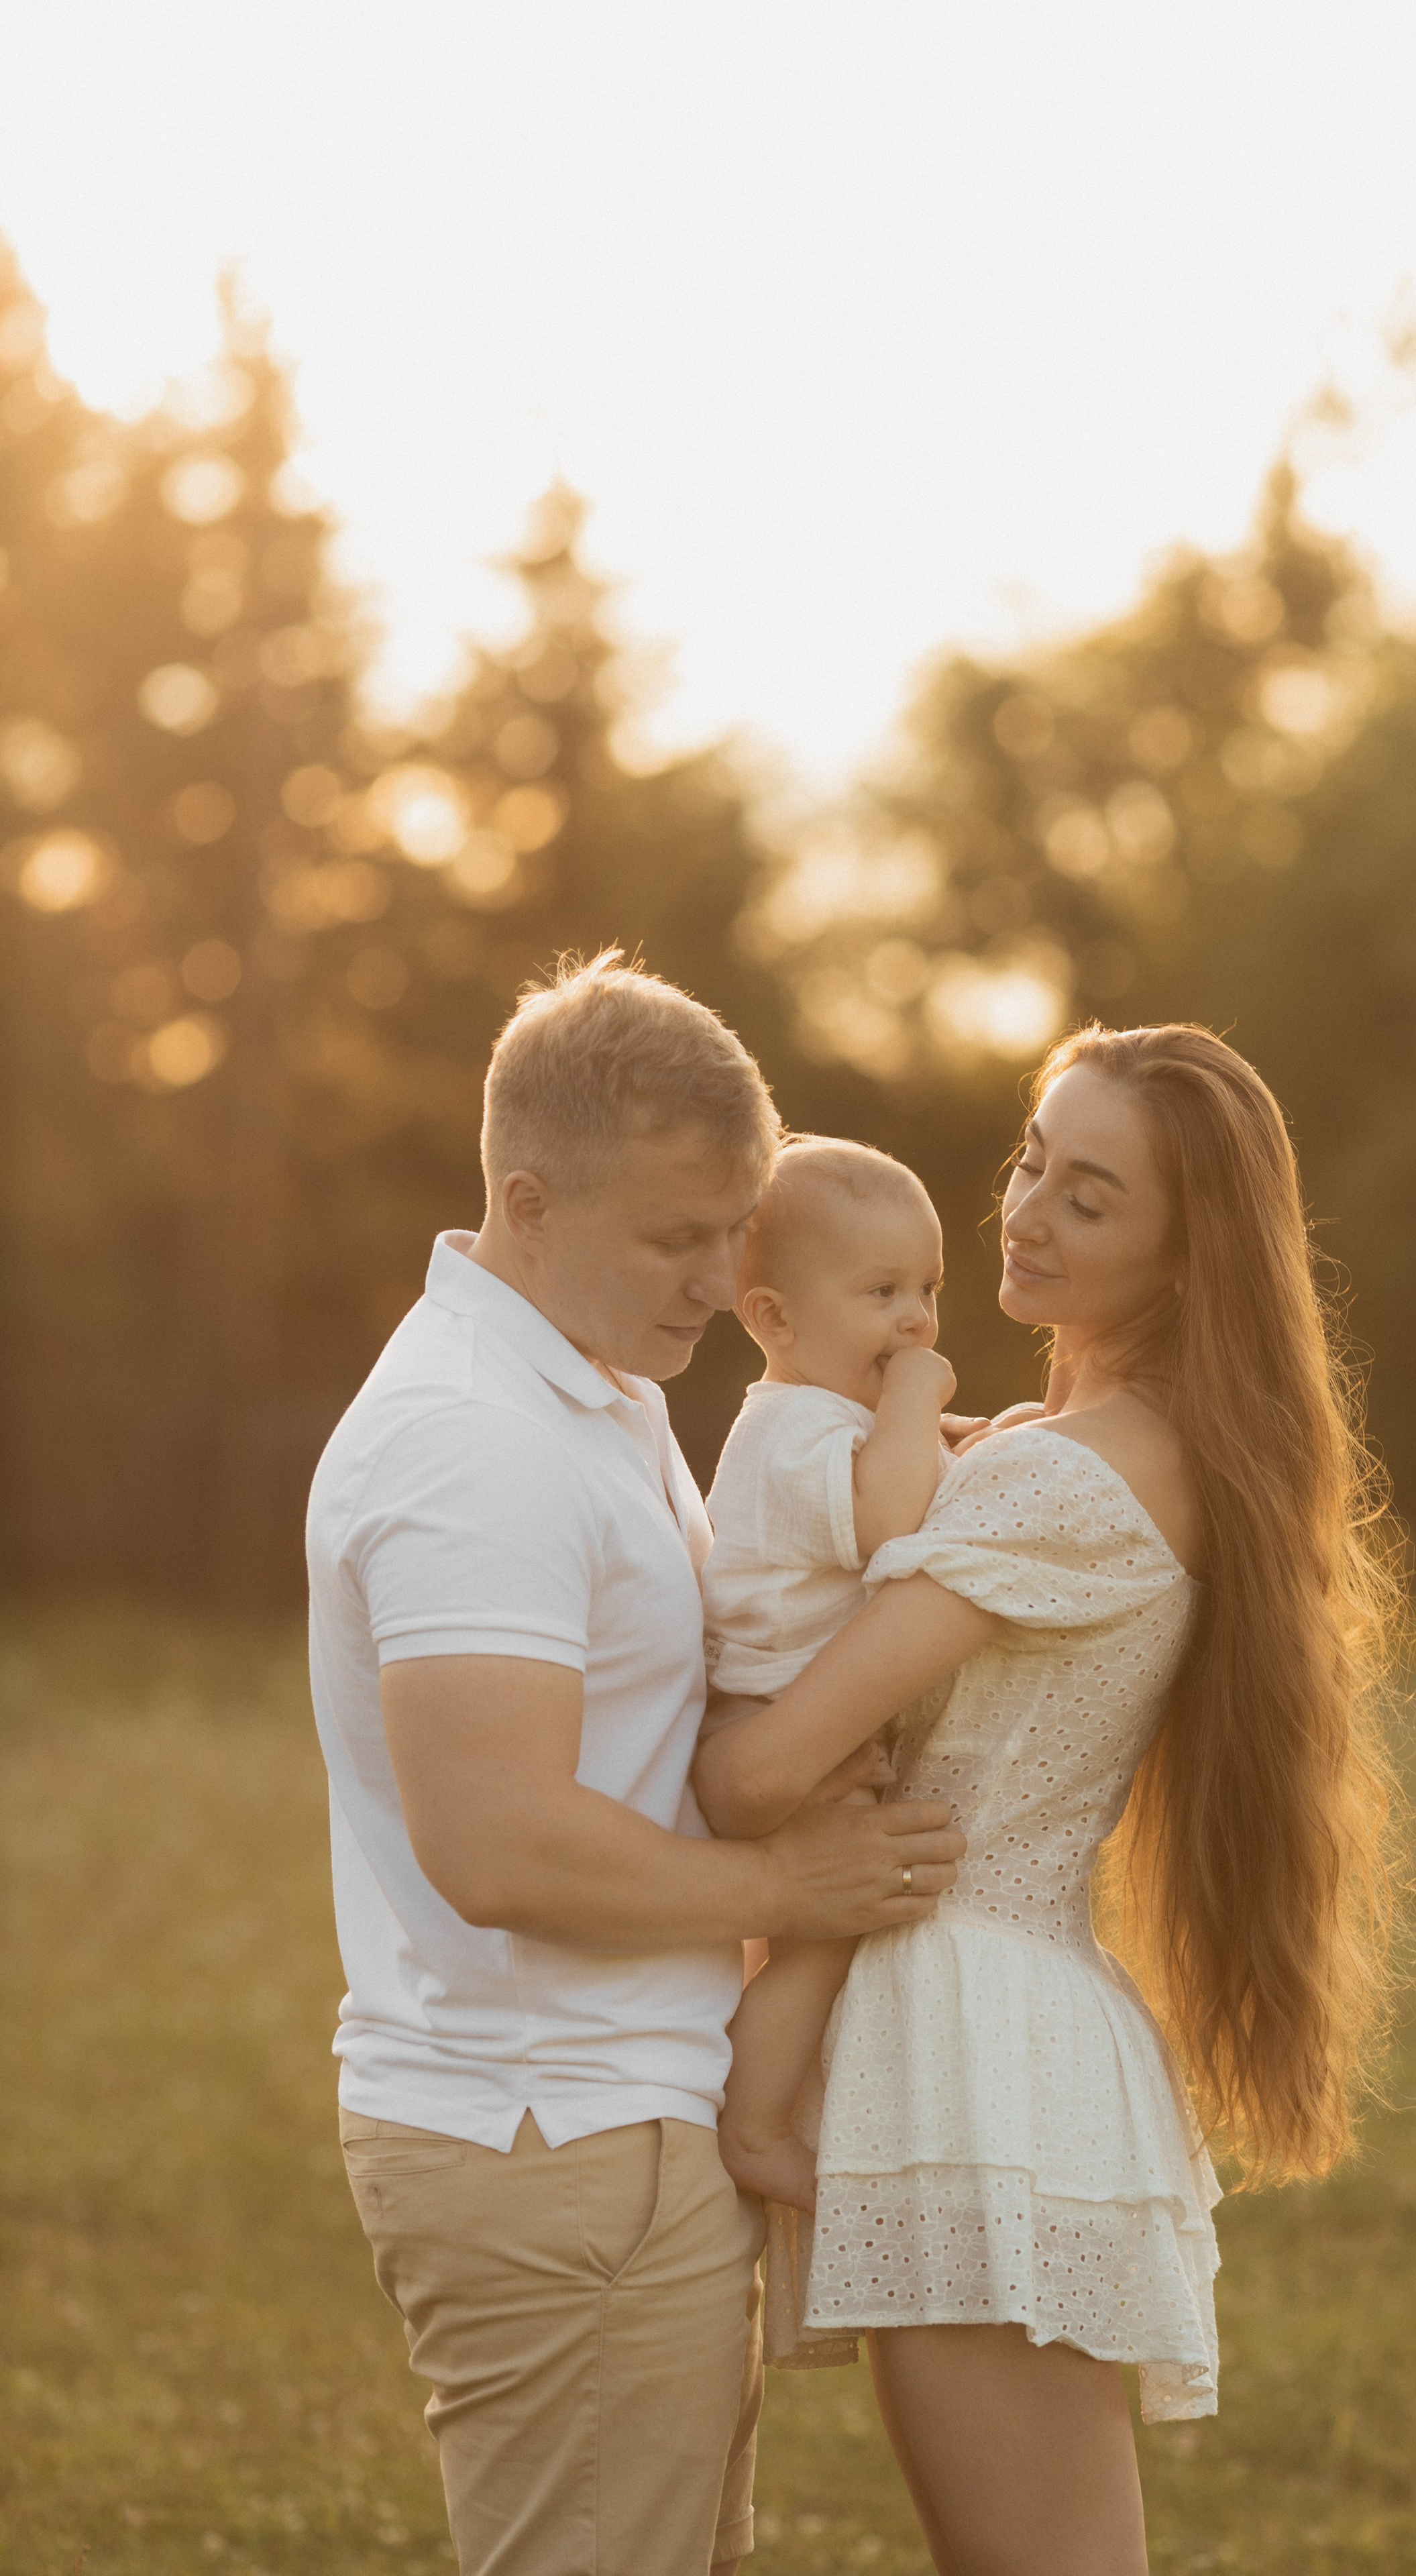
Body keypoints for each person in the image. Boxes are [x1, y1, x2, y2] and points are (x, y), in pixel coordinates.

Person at [696, 1022, 1409, 2576]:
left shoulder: (1067, 1476)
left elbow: (754, 1774)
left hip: (968, 2050)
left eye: (1089, 1197)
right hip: (995, 2018)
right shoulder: (1065, 1449)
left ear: (1180, 1253)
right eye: (1032, 1159)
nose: (1024, 1212)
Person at [305, 952, 965, 2576]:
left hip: (617, 2119)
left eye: (728, 1233)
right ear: (527, 1206)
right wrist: (781, 1883)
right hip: (548, 2137)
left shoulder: (594, 1388)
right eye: (674, 1239)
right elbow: (497, 1844)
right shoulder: (474, 1440)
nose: (709, 1280)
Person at [699, 1137, 959, 2219]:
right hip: (776, 1719)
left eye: (930, 1290)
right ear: (774, 1322)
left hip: (802, 1710)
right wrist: (924, 1401)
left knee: (829, 1936)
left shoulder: (835, 1421)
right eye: (883, 1292)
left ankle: (774, 2109)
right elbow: (890, 1513)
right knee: (817, 1939)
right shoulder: (791, 1429)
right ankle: (754, 2129)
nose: (916, 1322)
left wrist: (953, 1431)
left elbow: (911, 1478)